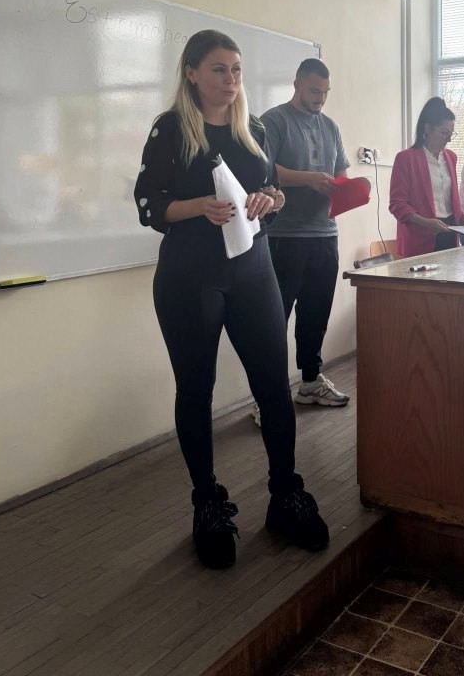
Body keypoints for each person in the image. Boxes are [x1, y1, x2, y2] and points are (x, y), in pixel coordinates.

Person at [133, 30, 329, 569]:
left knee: (274, 387)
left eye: (236, 69)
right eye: (219, 69)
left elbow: (271, 189)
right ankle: (208, 505)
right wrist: (198, 205)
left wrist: (272, 198)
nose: (231, 79)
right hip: (190, 277)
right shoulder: (172, 128)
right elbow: (148, 204)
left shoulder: (254, 129)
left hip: (253, 271)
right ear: (192, 73)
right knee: (196, 390)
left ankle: (285, 495)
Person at [260, 59, 350, 411]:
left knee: (316, 315)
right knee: (274, 318)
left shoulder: (330, 126)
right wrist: (309, 178)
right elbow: (263, 169)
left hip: (325, 234)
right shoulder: (274, 121)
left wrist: (344, 187)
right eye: (314, 91)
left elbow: (341, 171)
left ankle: (310, 382)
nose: (320, 99)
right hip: (284, 235)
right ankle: (266, 397)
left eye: (325, 92)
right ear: (296, 84)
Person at [389, 97, 464, 258]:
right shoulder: (406, 158)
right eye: (444, 133)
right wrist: (426, 222)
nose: (448, 139)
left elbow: (449, 201)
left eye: (451, 134)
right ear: (428, 128)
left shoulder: (451, 157)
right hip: (420, 237)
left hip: (450, 232)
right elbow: (397, 205)